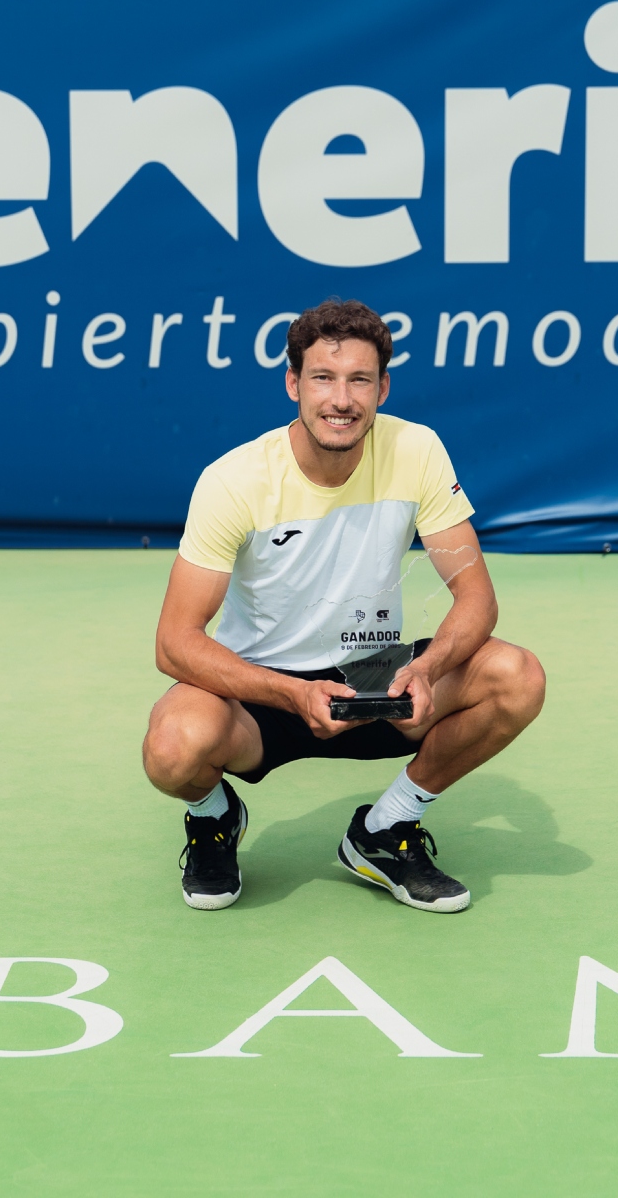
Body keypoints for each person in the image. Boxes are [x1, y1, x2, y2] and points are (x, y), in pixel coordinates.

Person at [142, 298, 546, 914]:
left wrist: (427, 669)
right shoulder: (234, 480)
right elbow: (174, 642)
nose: (341, 399)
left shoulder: (418, 450)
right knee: (173, 747)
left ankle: (386, 829)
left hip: (374, 677)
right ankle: (214, 816)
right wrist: (292, 694)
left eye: (359, 379)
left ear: (382, 387)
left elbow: (476, 597)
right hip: (262, 690)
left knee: (517, 678)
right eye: (323, 379)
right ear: (293, 385)